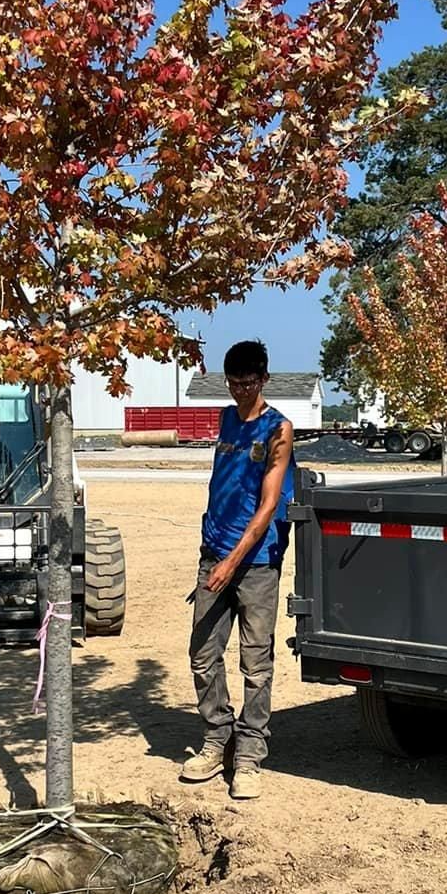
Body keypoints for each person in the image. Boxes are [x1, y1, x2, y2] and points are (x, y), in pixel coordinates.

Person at [181, 341, 296, 801]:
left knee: (256, 664)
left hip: (255, 564)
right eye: (232, 383)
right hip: (214, 555)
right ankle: (216, 738)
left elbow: (268, 505)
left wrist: (232, 563)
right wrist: (214, 554)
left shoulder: (278, 429)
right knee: (202, 655)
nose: (240, 392)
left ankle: (249, 755)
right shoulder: (228, 419)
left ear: (264, 379)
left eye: (248, 383)